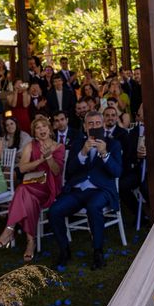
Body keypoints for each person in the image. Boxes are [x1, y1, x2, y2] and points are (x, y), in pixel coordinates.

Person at [47, 111, 122, 270]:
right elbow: (69, 172)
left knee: (93, 207)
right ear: (85, 127)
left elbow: (117, 172)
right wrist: (83, 153)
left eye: (97, 123)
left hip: (101, 190)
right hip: (78, 190)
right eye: (90, 124)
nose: (94, 126)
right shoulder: (78, 143)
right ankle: (64, 250)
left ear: (102, 125)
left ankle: (98, 252)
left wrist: (104, 153)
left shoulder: (113, 144)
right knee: (54, 210)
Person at [0, 116, 65, 262]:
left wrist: (49, 157)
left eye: (44, 126)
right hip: (33, 183)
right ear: (34, 133)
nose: (42, 129)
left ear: (49, 129)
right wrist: (40, 160)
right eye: (38, 128)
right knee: (26, 194)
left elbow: (56, 172)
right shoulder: (30, 145)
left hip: (49, 186)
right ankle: (30, 242)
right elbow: (23, 167)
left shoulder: (59, 147)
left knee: (22, 191)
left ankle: (10, 230)